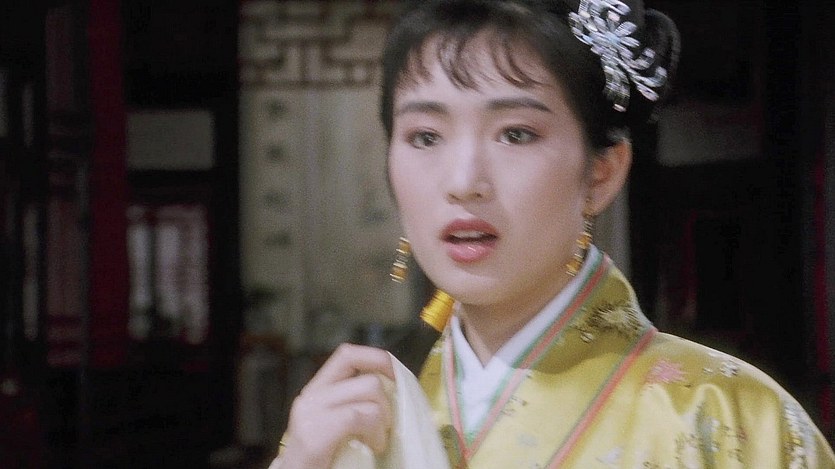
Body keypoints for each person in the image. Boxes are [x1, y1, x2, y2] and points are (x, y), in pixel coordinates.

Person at [271, 0, 835, 468]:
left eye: (515, 134)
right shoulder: (358, 423)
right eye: (425, 136)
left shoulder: (730, 419)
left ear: (601, 173)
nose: (463, 182)